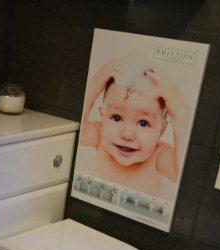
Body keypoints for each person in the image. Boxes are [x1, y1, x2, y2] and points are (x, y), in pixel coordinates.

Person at [78, 52, 190, 198]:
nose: (127, 134)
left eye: (143, 123)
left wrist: (181, 115)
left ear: (161, 130)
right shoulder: (100, 136)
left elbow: (183, 176)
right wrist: (94, 85)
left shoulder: (159, 155)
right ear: (102, 114)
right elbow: (76, 134)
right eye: (116, 117)